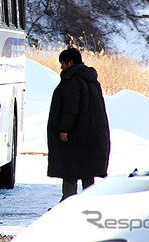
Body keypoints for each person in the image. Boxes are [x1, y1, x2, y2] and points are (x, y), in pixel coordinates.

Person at [47, 47, 110, 202]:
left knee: (70, 171)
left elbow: (70, 108)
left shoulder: (72, 80)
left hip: (74, 135)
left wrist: (63, 129)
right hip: (91, 134)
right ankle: (90, 203)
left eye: (63, 63)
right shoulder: (91, 80)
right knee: (87, 172)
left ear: (70, 62)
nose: (61, 67)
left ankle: (68, 204)